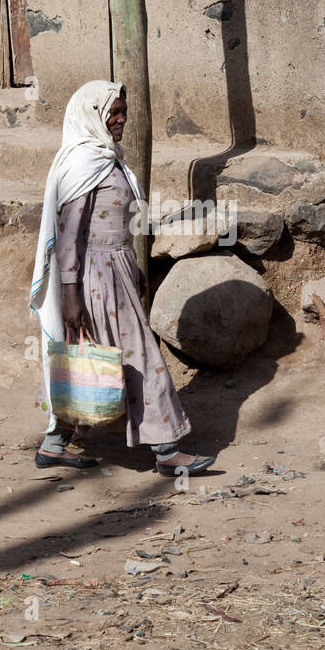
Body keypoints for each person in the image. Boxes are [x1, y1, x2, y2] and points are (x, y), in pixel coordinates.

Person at [29, 80, 216, 475]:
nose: (120, 119)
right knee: (139, 356)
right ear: (92, 115)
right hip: (93, 278)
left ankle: (57, 442)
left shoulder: (106, 158)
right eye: (112, 113)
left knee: (92, 356)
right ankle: (167, 450)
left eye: (122, 112)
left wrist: (134, 271)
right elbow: (68, 236)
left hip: (117, 271)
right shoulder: (83, 164)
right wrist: (72, 296)